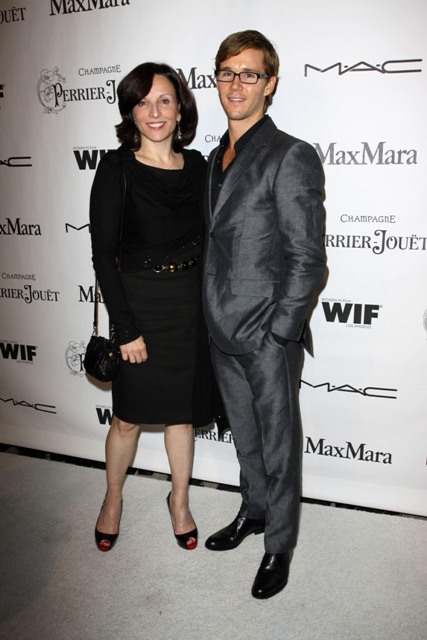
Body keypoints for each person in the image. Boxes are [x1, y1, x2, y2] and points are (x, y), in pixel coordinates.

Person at [202, 31, 326, 598]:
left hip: (267, 334)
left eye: (249, 74)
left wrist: (280, 333)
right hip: (220, 326)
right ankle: (253, 511)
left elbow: (307, 257)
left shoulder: (291, 154)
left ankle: (280, 544)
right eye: (227, 72)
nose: (236, 84)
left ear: (270, 83)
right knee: (246, 438)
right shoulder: (213, 158)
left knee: (278, 445)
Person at [90, 62, 218, 553]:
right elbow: (104, 255)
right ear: (131, 111)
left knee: (180, 415)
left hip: (188, 308)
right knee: (127, 418)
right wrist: (125, 329)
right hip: (139, 307)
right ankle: (113, 498)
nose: (155, 111)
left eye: (164, 100)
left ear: (180, 108)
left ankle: (179, 500)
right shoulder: (116, 168)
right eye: (142, 102)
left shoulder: (200, 167)